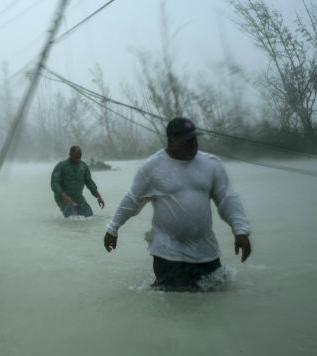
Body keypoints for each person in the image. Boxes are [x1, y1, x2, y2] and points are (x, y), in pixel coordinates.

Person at [103, 117, 252, 291]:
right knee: (176, 306)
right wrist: (113, 228)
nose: (193, 144)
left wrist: (240, 231)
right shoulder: (151, 167)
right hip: (168, 254)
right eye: (187, 141)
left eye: (195, 139)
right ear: (171, 140)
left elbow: (227, 199)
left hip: (206, 252)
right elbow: (132, 201)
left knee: (215, 301)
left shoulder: (211, 164)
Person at [51, 145, 105, 217]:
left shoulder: (83, 166)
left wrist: (98, 196)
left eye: (79, 157)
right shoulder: (61, 166)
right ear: (70, 154)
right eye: (76, 157)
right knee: (73, 219)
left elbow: (90, 182)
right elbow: (54, 183)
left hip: (78, 198)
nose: (78, 159)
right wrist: (64, 196)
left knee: (89, 216)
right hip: (63, 199)